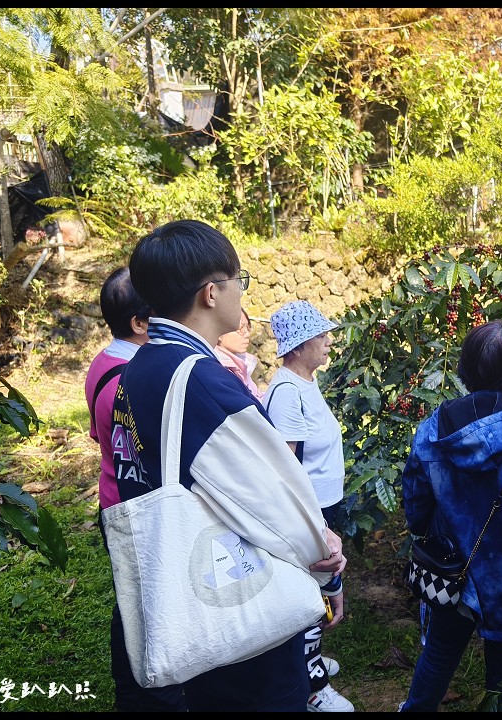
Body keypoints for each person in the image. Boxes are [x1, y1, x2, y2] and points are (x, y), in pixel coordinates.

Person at [111, 219, 347, 712]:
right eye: (240, 279)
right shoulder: (201, 381)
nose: (244, 292)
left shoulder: (139, 369)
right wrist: (325, 565)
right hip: (234, 604)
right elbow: (272, 496)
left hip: (181, 587)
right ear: (211, 293)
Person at [397, 320, 502, 712]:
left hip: (453, 568)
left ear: (466, 367)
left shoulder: (433, 429)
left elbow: (416, 499)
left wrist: (426, 534)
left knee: (439, 653)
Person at [84, 267, 187, 712]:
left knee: (133, 605)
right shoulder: (133, 380)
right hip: (140, 513)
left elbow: (102, 439)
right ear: (140, 323)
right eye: (160, 309)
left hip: (117, 502)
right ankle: (151, 697)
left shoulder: (103, 365)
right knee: (152, 613)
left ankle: (135, 690)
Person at [264, 300, 353, 713]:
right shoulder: (285, 394)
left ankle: (310, 658)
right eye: (320, 335)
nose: (328, 341)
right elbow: (286, 467)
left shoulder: (305, 383)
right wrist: (313, 524)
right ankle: (311, 686)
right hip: (309, 511)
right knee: (312, 592)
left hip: (323, 506)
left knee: (319, 588)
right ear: (298, 346)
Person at [215, 307, 262, 400]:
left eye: (248, 327)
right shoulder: (219, 369)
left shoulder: (242, 364)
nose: (247, 334)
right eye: (240, 328)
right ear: (219, 331)